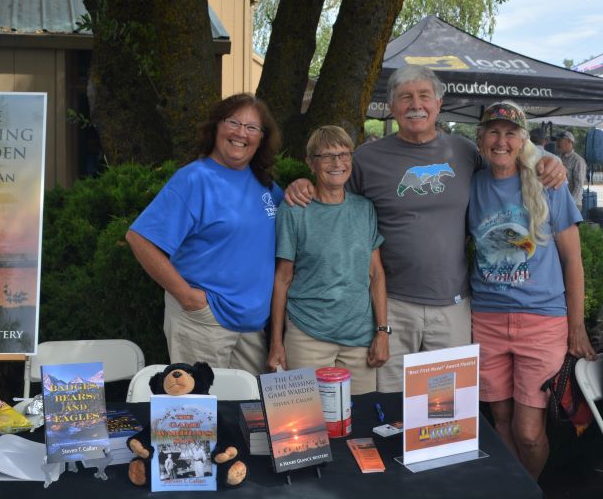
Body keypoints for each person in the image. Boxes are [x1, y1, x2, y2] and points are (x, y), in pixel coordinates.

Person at [285, 65, 568, 392]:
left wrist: (548, 160)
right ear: (392, 107)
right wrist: (302, 182)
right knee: (389, 408)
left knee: (445, 411)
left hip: (452, 305)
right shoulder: (365, 159)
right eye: (405, 97)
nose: (415, 104)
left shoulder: (463, 153)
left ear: (438, 103)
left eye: (423, 96)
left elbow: (509, 157)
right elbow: (332, 198)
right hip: (392, 304)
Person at [469, 101, 596, 480]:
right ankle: (515, 489)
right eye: (493, 132)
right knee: (500, 422)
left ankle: (531, 488)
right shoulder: (472, 183)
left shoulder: (548, 183)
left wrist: (577, 326)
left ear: (524, 140)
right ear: (480, 139)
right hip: (487, 318)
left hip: (542, 321)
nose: (501, 140)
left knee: (529, 431)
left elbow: (573, 261)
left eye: (510, 133)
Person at [126, 93, 283, 375]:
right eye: (233, 122)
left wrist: (301, 188)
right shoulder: (194, 179)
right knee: (200, 414)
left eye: (251, 127)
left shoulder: (265, 185)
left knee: (248, 413)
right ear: (216, 127)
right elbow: (139, 238)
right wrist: (186, 296)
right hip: (204, 322)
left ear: (262, 138)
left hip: (252, 326)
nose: (241, 133)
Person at [268, 126, 388, 395]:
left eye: (344, 154)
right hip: (308, 334)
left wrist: (382, 332)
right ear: (311, 163)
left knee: (360, 424)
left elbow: (376, 275)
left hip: (359, 338)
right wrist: (276, 342)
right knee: (306, 426)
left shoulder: (364, 209)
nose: (338, 163)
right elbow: (283, 278)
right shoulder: (294, 210)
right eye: (327, 156)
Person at [556, 130, 587, 212]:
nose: (557, 143)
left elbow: (579, 185)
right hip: (559, 202)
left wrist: (570, 202)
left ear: (569, 141)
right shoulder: (557, 158)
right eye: (557, 140)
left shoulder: (578, 160)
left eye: (560, 140)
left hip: (573, 204)